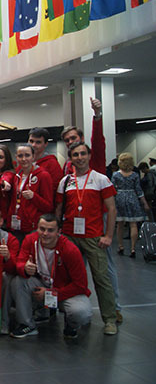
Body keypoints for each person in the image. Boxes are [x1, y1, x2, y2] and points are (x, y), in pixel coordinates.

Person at [55, 142, 118, 335]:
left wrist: (108, 236)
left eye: (83, 154)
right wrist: (57, 232)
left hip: (93, 237)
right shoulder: (65, 181)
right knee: (69, 278)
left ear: (89, 156)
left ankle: (110, 319)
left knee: (101, 278)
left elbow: (112, 209)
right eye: (75, 154)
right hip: (69, 237)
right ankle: (74, 316)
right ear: (71, 158)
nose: (80, 157)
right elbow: (59, 208)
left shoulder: (101, 179)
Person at [10, 214, 92, 339]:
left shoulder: (71, 250)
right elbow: (20, 262)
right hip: (40, 285)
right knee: (18, 281)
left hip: (64, 290)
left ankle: (72, 325)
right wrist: (24, 268)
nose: (45, 234)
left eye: (50, 230)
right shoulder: (30, 240)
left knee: (80, 312)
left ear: (59, 232)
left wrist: (52, 293)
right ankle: (27, 324)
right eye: (42, 229)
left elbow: (80, 285)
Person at [8, 144, 53, 240]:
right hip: (17, 225)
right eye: (20, 156)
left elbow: (48, 207)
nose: (24, 159)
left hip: (32, 227)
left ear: (33, 157)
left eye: (27, 155)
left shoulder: (43, 175)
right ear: (16, 157)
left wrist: (33, 197)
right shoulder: (17, 176)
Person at [112, 153, 150, 257]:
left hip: (119, 198)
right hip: (132, 198)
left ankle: (121, 246)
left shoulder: (115, 175)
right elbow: (139, 190)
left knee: (120, 224)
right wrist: (145, 203)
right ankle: (133, 249)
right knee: (133, 224)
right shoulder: (134, 175)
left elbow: (112, 189)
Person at [61, 97, 106, 175]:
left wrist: (97, 115)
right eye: (67, 140)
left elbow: (97, 140)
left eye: (73, 138)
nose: (70, 142)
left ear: (82, 138)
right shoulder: (67, 164)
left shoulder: (93, 156)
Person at [28, 127, 63, 197]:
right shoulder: (24, 163)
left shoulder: (52, 164)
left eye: (38, 142)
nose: (33, 145)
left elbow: (56, 188)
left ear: (46, 144)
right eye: (31, 141)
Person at [0, 144, 16, 227]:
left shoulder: (10, 173)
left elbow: (7, 178)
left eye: (0, 157)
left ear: (6, 159)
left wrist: (4, 183)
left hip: (3, 218)